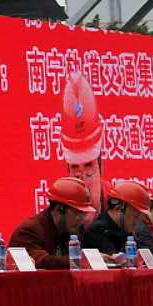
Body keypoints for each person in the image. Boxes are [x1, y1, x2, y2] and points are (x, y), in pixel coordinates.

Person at [8, 177, 95, 269]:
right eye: (77, 213)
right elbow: (41, 262)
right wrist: (81, 261)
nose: (82, 218)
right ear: (59, 209)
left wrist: (95, 258)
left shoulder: (74, 230)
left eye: (84, 213)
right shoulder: (28, 231)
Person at [57, 72, 104, 211]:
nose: (83, 184)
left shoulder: (121, 213)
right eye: (76, 173)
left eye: (89, 173)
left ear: (101, 168)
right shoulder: (57, 217)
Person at [79, 180, 153, 262]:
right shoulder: (97, 231)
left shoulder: (126, 231)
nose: (138, 221)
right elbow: (117, 260)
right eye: (136, 215)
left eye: (141, 216)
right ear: (118, 208)